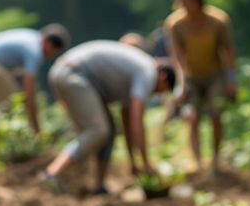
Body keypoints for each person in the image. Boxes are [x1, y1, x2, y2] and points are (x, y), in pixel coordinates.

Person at [41, 40, 176, 195]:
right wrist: (145, 163)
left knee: (110, 130)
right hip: (74, 74)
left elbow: (128, 122)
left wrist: (134, 163)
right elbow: (137, 121)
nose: (155, 93)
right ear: (163, 77)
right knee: (98, 130)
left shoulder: (139, 71)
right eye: (160, 91)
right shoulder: (148, 73)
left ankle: (99, 186)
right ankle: (52, 173)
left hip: (70, 73)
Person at [164, 0, 238, 173]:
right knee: (192, 117)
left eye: (191, 3)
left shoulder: (218, 20)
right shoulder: (175, 24)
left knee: (216, 114)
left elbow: (228, 50)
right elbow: (177, 56)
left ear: (199, 1)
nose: (188, 8)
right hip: (191, 76)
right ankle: (197, 161)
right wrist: (180, 83)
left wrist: (231, 79)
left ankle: (215, 159)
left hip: (215, 74)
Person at [0, 24, 70, 135]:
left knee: (10, 101)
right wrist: (37, 129)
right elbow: (30, 93)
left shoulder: (31, 37)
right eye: (54, 52)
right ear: (48, 43)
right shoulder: (35, 50)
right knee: (15, 102)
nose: (50, 56)